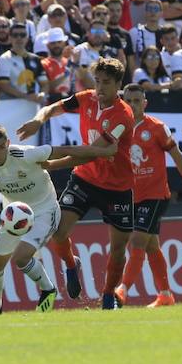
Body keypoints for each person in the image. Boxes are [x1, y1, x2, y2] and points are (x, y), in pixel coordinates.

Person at [17, 57, 135, 310]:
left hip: (117, 188)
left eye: (106, 83)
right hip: (85, 179)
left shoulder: (124, 115)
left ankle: (108, 296)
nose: (100, 87)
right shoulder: (86, 98)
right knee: (58, 233)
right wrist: (39, 119)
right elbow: (53, 108)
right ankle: (72, 264)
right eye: (97, 81)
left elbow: (92, 152)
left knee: (118, 250)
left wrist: (52, 161)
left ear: (118, 85)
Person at [0, 124, 118, 316]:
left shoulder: (26, 154)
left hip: (45, 210)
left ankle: (48, 289)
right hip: (15, 215)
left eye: (1, 147)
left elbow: (67, 150)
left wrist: (102, 152)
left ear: (8, 143)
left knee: (21, 258)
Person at [113, 83, 182, 308]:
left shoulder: (157, 127)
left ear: (145, 103)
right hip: (131, 196)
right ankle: (165, 294)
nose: (132, 105)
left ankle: (122, 291)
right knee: (151, 245)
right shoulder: (118, 130)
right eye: (128, 101)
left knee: (137, 240)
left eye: (137, 101)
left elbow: (177, 155)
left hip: (156, 195)